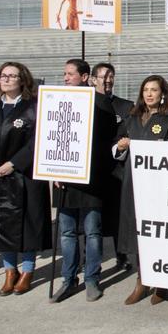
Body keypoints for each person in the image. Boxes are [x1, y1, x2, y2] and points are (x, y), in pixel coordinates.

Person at [0, 62, 49, 297]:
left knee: (27, 225)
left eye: (12, 76)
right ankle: (10, 271)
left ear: (22, 80)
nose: (6, 79)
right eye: (3, 75)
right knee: (1, 225)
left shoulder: (34, 107)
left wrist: (13, 164)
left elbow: (37, 141)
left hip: (23, 175)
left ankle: (27, 271)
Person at [52, 58, 118, 303]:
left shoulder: (101, 103)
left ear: (84, 76)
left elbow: (107, 144)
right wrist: (54, 170)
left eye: (70, 74)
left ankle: (92, 278)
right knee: (67, 233)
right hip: (64, 181)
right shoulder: (56, 101)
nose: (65, 78)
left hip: (91, 181)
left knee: (92, 232)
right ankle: (68, 280)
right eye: (65, 73)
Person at [113, 75, 168, 305]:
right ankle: (142, 280)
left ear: (163, 93)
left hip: (158, 187)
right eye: (146, 90)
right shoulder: (132, 118)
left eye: (154, 90)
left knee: (157, 232)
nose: (149, 94)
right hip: (133, 183)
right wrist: (120, 146)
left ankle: (162, 282)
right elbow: (116, 145)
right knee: (136, 233)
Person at [93, 62, 134, 272]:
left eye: (111, 77)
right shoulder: (86, 103)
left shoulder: (125, 106)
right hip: (92, 170)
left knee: (118, 214)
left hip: (116, 168)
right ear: (92, 80)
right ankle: (91, 257)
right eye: (103, 77)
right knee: (93, 219)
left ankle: (122, 253)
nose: (107, 81)